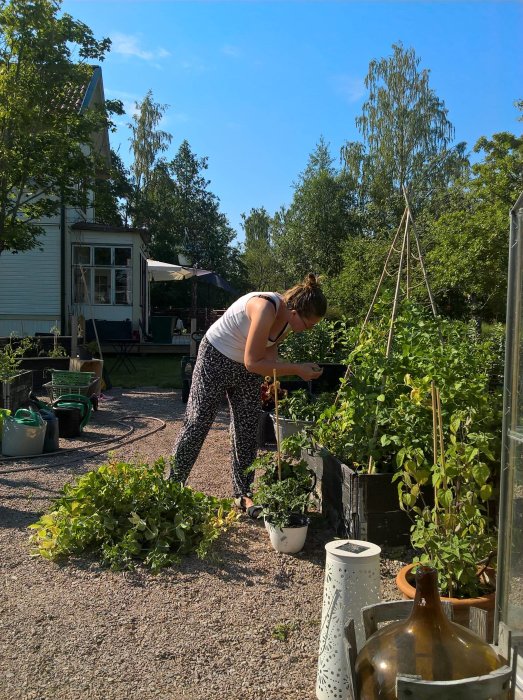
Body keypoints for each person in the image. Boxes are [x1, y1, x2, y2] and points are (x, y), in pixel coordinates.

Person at [170, 273, 327, 515]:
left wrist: (279, 378)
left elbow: (268, 358)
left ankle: (243, 494)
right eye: (309, 325)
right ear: (295, 313)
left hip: (245, 367)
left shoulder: (287, 322)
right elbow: (254, 362)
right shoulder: (265, 307)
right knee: (198, 421)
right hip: (216, 357)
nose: (307, 330)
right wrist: (296, 369)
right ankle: (170, 487)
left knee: (246, 426)